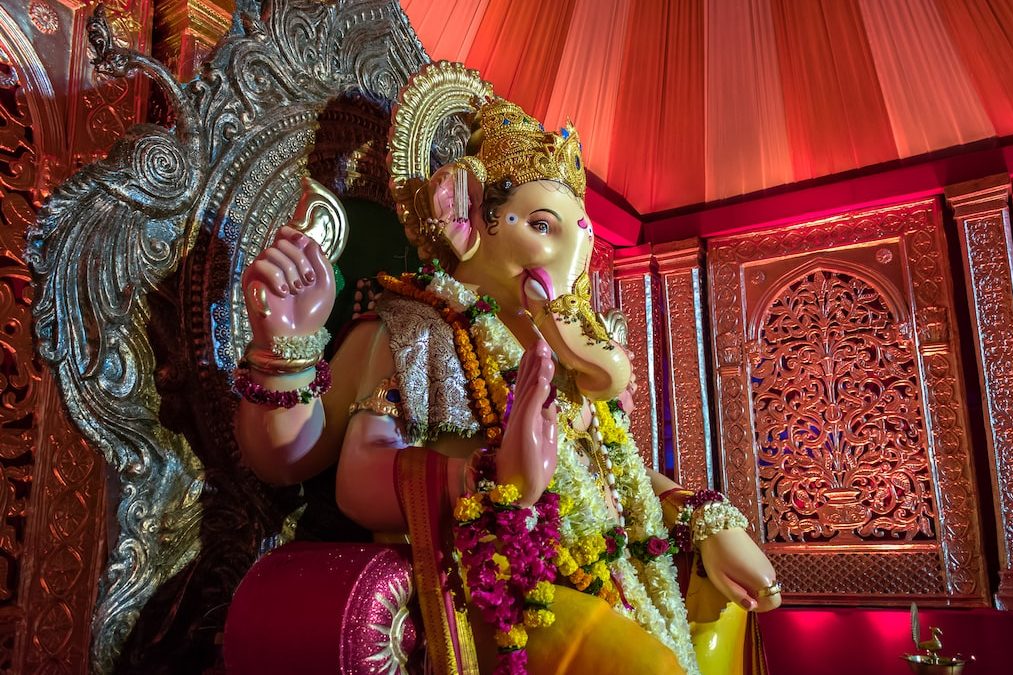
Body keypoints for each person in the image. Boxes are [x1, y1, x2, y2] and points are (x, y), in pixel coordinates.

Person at [233, 61, 779, 675]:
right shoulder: (422, 327)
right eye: (542, 227)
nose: (571, 262)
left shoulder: (560, 353)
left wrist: (707, 518)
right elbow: (348, 474)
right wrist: (492, 477)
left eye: (583, 237)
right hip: (495, 582)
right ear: (464, 217)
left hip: (603, 571)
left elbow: (608, 479)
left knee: (726, 611)